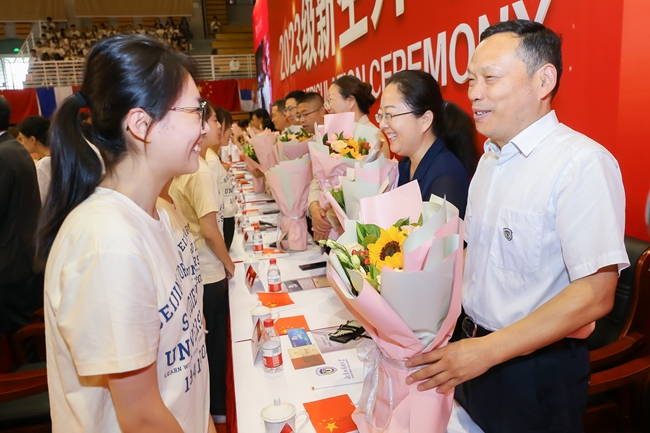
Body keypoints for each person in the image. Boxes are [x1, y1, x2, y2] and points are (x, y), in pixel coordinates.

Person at [406, 20, 628, 433]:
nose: (474, 93)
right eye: (471, 80)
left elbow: (595, 294)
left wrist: (487, 351)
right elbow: (475, 257)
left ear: (544, 80)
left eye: (490, 78)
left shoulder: (581, 163)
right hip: (471, 351)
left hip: (533, 373)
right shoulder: (490, 161)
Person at [36, 35, 215, 433]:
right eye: (195, 111)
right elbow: (142, 418)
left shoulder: (164, 213)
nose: (205, 126)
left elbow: (188, 360)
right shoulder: (107, 244)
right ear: (140, 125)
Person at [168, 103, 235, 424]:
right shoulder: (202, 171)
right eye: (210, 120)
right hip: (207, 270)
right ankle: (218, 410)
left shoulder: (192, 167)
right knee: (215, 347)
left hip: (196, 268)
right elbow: (209, 230)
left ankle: (214, 408)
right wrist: (229, 263)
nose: (215, 127)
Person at [378, 70, 478, 217]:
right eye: (381, 115)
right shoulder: (404, 165)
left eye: (389, 115)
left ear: (425, 120)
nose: (381, 125)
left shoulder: (445, 178)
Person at [0, 97, 43, 336]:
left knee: (20, 336)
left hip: (11, 261)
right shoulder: (13, 147)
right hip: (24, 254)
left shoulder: (2, 153)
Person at [325, 74, 390, 159]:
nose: (328, 108)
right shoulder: (338, 137)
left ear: (351, 101)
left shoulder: (375, 136)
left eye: (330, 100)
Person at [207, 106, 237, 250]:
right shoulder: (210, 161)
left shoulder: (213, 157)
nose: (230, 132)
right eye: (228, 127)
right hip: (222, 222)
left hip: (225, 220)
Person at [16, 116, 52, 204]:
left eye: (21, 138)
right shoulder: (61, 155)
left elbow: (41, 199)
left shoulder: (43, 165)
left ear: (32, 139)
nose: (21, 143)